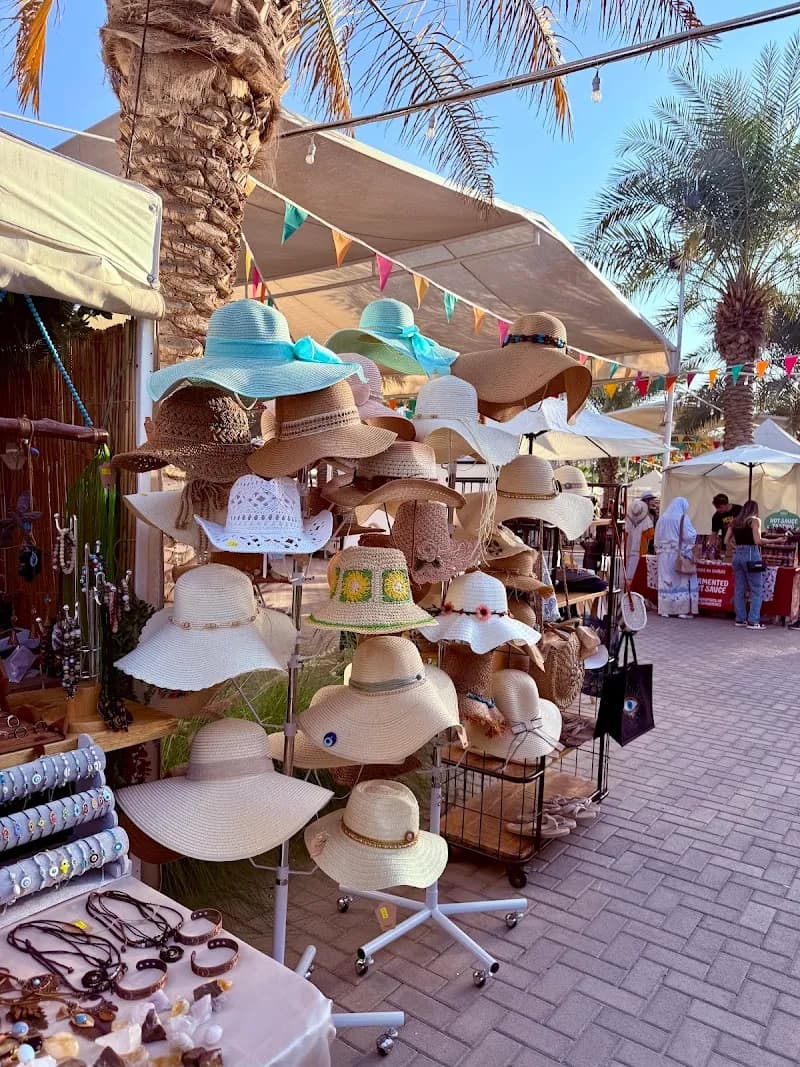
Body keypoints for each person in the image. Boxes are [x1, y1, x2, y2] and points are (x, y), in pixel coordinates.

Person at [724, 500, 779, 630]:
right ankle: (753, 621)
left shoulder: (735, 521)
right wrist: (777, 539)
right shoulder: (755, 521)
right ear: (755, 509)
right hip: (751, 554)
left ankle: (740, 619)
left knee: (739, 589)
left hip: (737, 555)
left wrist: (736, 547)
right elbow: (758, 541)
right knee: (756, 589)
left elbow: (726, 540)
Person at [654, 497, 699, 619]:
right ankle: (680, 610)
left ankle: (665, 610)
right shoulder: (683, 518)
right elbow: (690, 536)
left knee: (665, 580)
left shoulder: (662, 518)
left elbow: (656, 537)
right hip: (677, 555)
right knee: (680, 581)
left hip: (663, 555)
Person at [624, 498, 654, 582]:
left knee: (630, 561)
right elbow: (650, 535)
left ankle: (629, 578)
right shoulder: (646, 520)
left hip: (630, 545)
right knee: (638, 562)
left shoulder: (628, 519)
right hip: (641, 546)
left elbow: (625, 532)